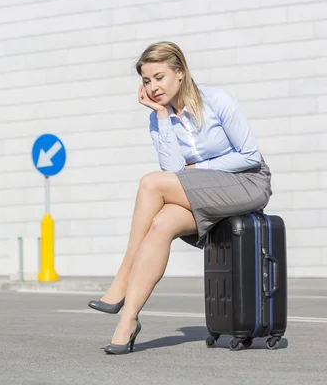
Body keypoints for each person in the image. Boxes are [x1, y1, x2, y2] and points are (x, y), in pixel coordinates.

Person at [87, 41, 273, 355]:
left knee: (150, 184)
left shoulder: (216, 100)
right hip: (207, 192)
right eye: (146, 81)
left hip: (248, 183)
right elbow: (174, 171)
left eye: (159, 77)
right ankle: (127, 321)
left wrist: (201, 167)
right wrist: (161, 115)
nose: (153, 87)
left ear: (180, 73)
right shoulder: (158, 119)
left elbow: (250, 155)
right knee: (161, 223)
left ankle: (122, 277)